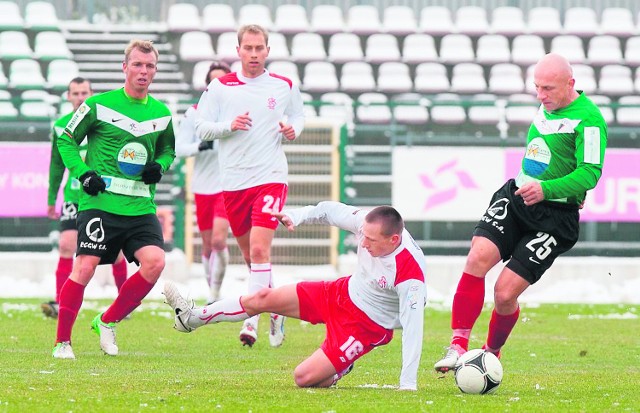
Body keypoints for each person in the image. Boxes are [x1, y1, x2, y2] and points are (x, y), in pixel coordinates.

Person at [434, 53, 608, 372]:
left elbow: (591, 172)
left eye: (548, 88)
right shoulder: (549, 102)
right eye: (537, 87)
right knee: (477, 257)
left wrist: (550, 189)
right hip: (517, 197)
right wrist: (540, 184)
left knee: (504, 293)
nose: (540, 95)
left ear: (571, 84)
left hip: (554, 218)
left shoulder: (590, 120)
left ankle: (489, 355)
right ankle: (457, 345)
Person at [164, 201, 427, 390]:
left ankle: (341, 367)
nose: (363, 243)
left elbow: (413, 330)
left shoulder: (411, 274)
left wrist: (408, 385)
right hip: (341, 292)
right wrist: (296, 216)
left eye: (371, 240)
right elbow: (329, 210)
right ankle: (191, 318)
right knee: (263, 298)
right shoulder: (366, 223)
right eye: (363, 236)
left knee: (303, 378)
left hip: (364, 327)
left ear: (394, 240)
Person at [51, 39, 176, 359]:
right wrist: (82, 172)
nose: (143, 71)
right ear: (125, 67)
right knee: (85, 267)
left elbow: (167, 149)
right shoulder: (97, 105)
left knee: (155, 263)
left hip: (139, 206)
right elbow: (66, 138)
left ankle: (107, 321)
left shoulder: (162, 113)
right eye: (137, 64)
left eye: (149, 66)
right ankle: (62, 342)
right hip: (100, 203)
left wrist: (159, 166)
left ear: (155, 71)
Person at [194, 24, 305, 347]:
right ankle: (277, 308)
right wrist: (229, 126)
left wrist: (291, 129)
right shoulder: (220, 88)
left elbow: (298, 116)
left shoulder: (284, 85)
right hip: (233, 183)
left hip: (270, 178)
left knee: (259, 249)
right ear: (238, 50)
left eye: (260, 48)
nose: (254, 54)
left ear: (267, 51)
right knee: (249, 257)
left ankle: (252, 321)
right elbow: (201, 128)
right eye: (249, 48)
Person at [43, 77, 128, 319]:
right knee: (66, 245)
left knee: (116, 251)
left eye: (84, 93)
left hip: (101, 196)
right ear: (68, 97)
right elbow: (56, 165)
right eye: (76, 93)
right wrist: (52, 198)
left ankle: (124, 303)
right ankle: (60, 301)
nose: (80, 97)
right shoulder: (60, 127)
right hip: (73, 196)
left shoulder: (102, 124)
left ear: (91, 94)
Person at [176, 61, 232, 304]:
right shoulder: (194, 112)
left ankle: (215, 293)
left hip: (228, 186)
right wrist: (200, 146)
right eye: (213, 81)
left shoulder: (237, 113)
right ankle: (212, 294)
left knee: (219, 239)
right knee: (208, 244)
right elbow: (179, 149)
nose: (217, 85)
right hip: (202, 186)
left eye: (223, 81)